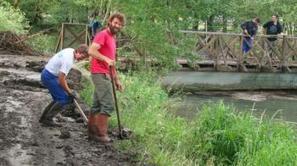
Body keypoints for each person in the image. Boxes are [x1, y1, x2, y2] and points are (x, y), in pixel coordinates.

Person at [88, 13, 125, 142]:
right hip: (99, 73)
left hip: (106, 73)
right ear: (110, 22)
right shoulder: (103, 34)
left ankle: (92, 132)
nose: (117, 26)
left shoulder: (112, 39)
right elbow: (91, 51)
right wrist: (105, 59)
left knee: (97, 105)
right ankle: (101, 135)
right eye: (115, 23)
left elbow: (112, 62)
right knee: (108, 104)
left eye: (120, 24)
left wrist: (117, 80)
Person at [39, 44, 89, 127]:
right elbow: (61, 79)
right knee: (63, 99)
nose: (81, 60)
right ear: (79, 52)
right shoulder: (68, 61)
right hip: (49, 77)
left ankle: (44, 118)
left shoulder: (70, 50)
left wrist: (68, 91)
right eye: (82, 57)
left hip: (49, 74)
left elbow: (61, 78)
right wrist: (69, 91)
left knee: (58, 98)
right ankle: (47, 119)